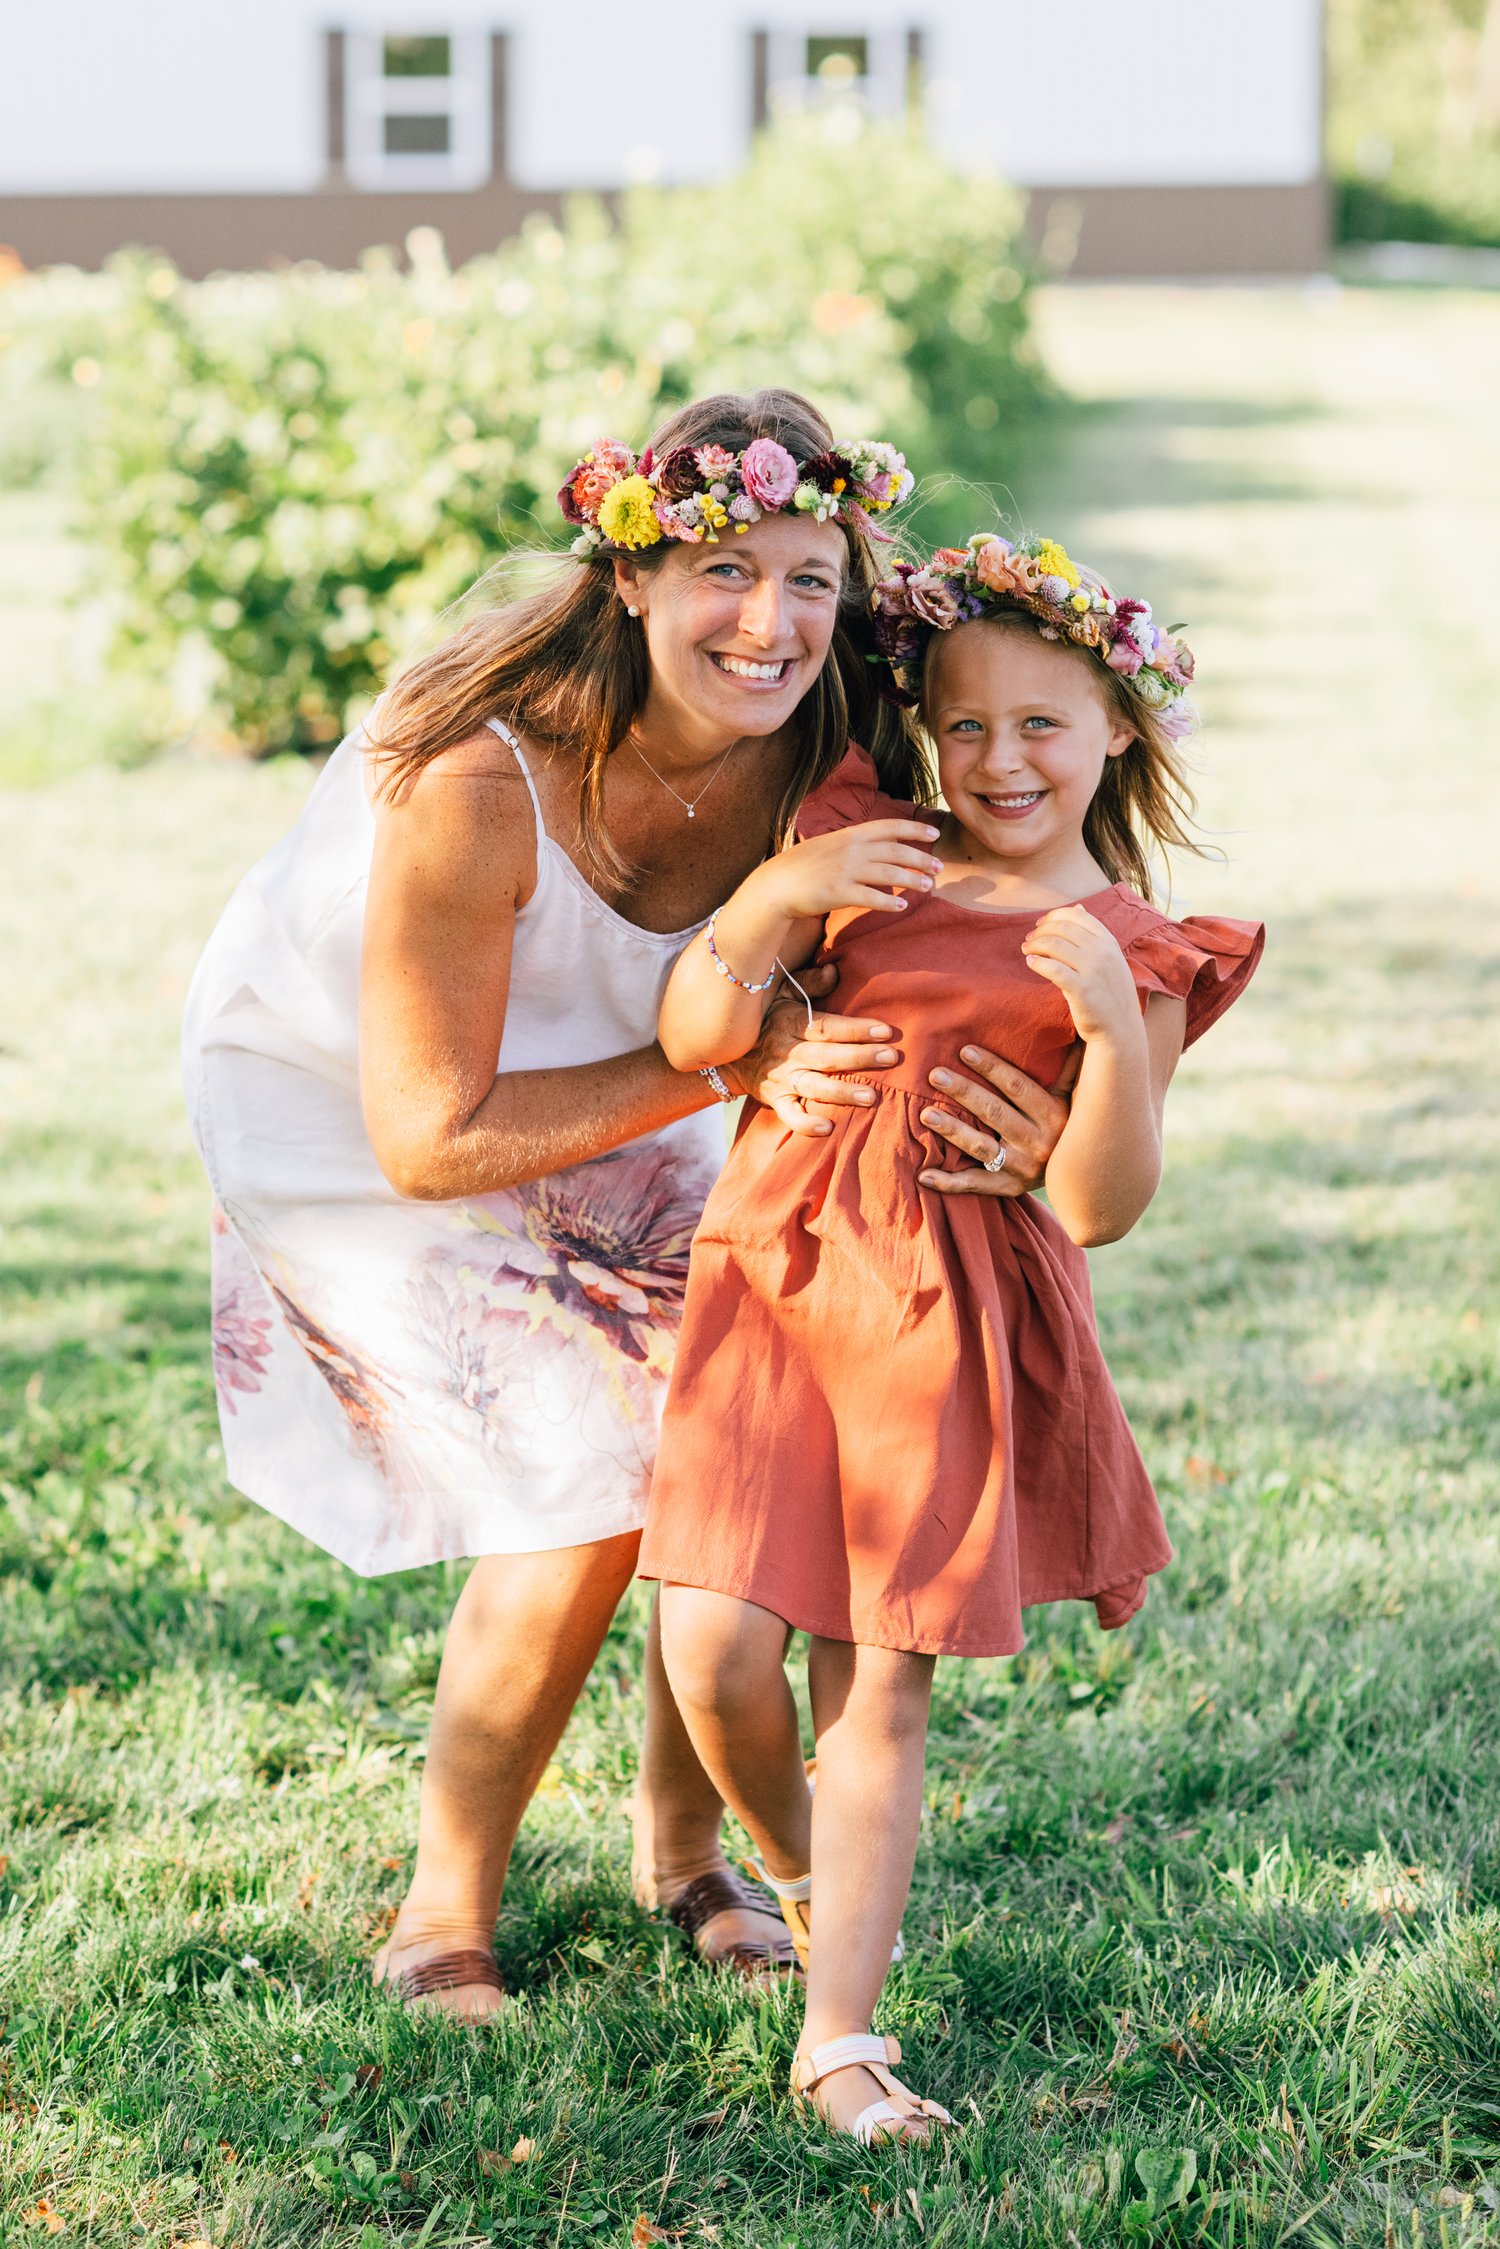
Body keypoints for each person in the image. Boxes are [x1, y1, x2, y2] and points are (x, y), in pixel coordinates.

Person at [181, 395, 1075, 2020]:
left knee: (731, 1422)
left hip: (641, 1058)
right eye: (727, 570)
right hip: (358, 1101)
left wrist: (1057, 1115)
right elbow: (432, 1133)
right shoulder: (475, 778)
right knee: (586, 1475)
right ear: (634, 582)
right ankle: (440, 1913)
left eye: (814, 578)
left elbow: (1022, 840)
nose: (771, 621)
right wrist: (740, 1061)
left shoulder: (824, 732)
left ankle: (687, 1854)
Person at [641, 527, 1265, 2140]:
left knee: (880, 1689)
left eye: (1044, 724)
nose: (1001, 758)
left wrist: (1114, 1037)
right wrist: (783, 896)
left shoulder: (1142, 950)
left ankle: (838, 2032)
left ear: (1120, 727)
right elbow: (696, 1031)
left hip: (945, 1324)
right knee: (710, 1645)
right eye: (967, 723)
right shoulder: (864, 840)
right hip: (777, 1291)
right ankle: (805, 1864)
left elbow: (1102, 1202)